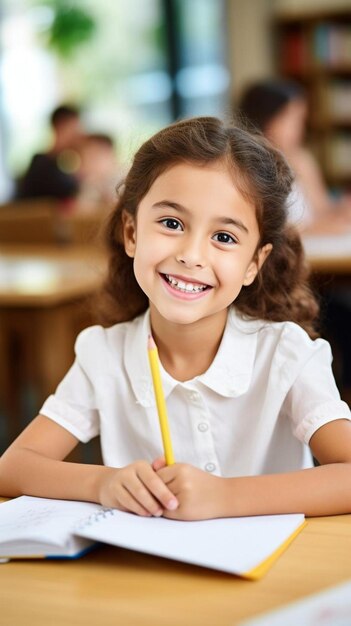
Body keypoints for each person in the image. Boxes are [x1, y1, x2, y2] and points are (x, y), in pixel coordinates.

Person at [1, 117, 351, 521]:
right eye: (171, 223)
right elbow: (12, 467)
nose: (191, 254)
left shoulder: (286, 353)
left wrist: (225, 497)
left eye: (224, 237)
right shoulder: (105, 354)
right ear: (131, 233)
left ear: (254, 263)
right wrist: (103, 483)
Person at [237, 80, 351, 233]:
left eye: (301, 120)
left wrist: (340, 211)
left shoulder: (301, 158)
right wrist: (314, 228)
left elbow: (322, 211)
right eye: (293, 119)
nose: (300, 128)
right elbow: (268, 231)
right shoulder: (248, 167)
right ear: (266, 118)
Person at [16, 104, 82, 204]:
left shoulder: (64, 163)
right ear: (60, 127)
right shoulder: (42, 164)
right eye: (74, 128)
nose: (78, 135)